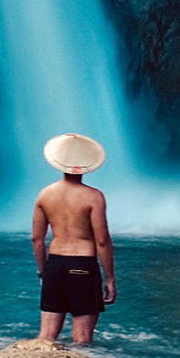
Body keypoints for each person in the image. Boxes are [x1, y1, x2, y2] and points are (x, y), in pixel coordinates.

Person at [32, 132, 116, 346]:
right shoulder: (93, 197)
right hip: (83, 266)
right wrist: (110, 279)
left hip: (55, 264)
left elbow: (37, 239)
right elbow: (102, 241)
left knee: (46, 337)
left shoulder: (45, 194)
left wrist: (43, 271)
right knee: (82, 339)